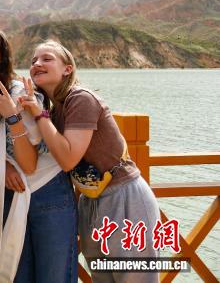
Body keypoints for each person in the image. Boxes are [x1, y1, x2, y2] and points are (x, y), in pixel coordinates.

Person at [21, 40, 160, 283]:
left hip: (123, 196)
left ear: (68, 69)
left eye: (46, 59)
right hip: (89, 199)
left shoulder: (81, 99)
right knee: (102, 278)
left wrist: (39, 114)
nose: (37, 64)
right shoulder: (56, 110)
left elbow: (68, 159)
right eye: (33, 61)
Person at [0, 27, 71, 283]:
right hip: (10, 189)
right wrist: (3, 166)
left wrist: (12, 116)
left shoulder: (18, 93)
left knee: (53, 275)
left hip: (45, 189)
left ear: (2, 54)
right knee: (16, 274)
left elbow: (29, 164)